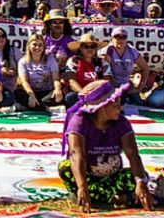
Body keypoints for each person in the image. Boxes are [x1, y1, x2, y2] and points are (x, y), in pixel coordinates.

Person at [59, 80, 153, 212]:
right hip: (88, 177)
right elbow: (76, 154)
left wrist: (140, 182)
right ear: (101, 107)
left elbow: (133, 154)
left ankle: (102, 198)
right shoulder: (79, 122)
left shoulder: (121, 122)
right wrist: (82, 186)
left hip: (113, 178)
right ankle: (119, 199)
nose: (119, 108)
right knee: (65, 168)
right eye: (115, 105)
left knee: (138, 175)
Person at [99, 28, 150, 104]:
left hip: (126, 85)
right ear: (112, 39)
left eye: (123, 37)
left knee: (140, 104)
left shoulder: (132, 51)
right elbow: (104, 74)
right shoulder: (107, 52)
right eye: (117, 37)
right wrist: (113, 90)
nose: (121, 40)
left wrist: (140, 87)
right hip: (110, 87)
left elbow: (145, 68)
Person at [15, 34, 62, 110]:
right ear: (29, 46)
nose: (37, 47)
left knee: (56, 95)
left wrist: (57, 89)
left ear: (44, 47)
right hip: (31, 91)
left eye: (40, 45)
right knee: (18, 94)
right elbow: (24, 81)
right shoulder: (23, 61)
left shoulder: (50, 59)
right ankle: (47, 108)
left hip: (47, 92)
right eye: (34, 44)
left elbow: (55, 79)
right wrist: (31, 94)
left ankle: (31, 107)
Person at [64, 34, 112, 107]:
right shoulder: (73, 61)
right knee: (70, 97)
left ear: (96, 48)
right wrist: (83, 93)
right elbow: (71, 81)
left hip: (98, 93)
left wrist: (96, 93)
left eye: (92, 47)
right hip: (81, 93)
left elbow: (108, 80)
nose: (90, 49)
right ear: (80, 48)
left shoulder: (102, 62)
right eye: (86, 46)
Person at [0, 27, 19, 96]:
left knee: (8, 97)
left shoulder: (14, 51)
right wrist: (0, 70)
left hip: (9, 87)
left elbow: (22, 68)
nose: (1, 38)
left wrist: (14, 72)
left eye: (3, 36)